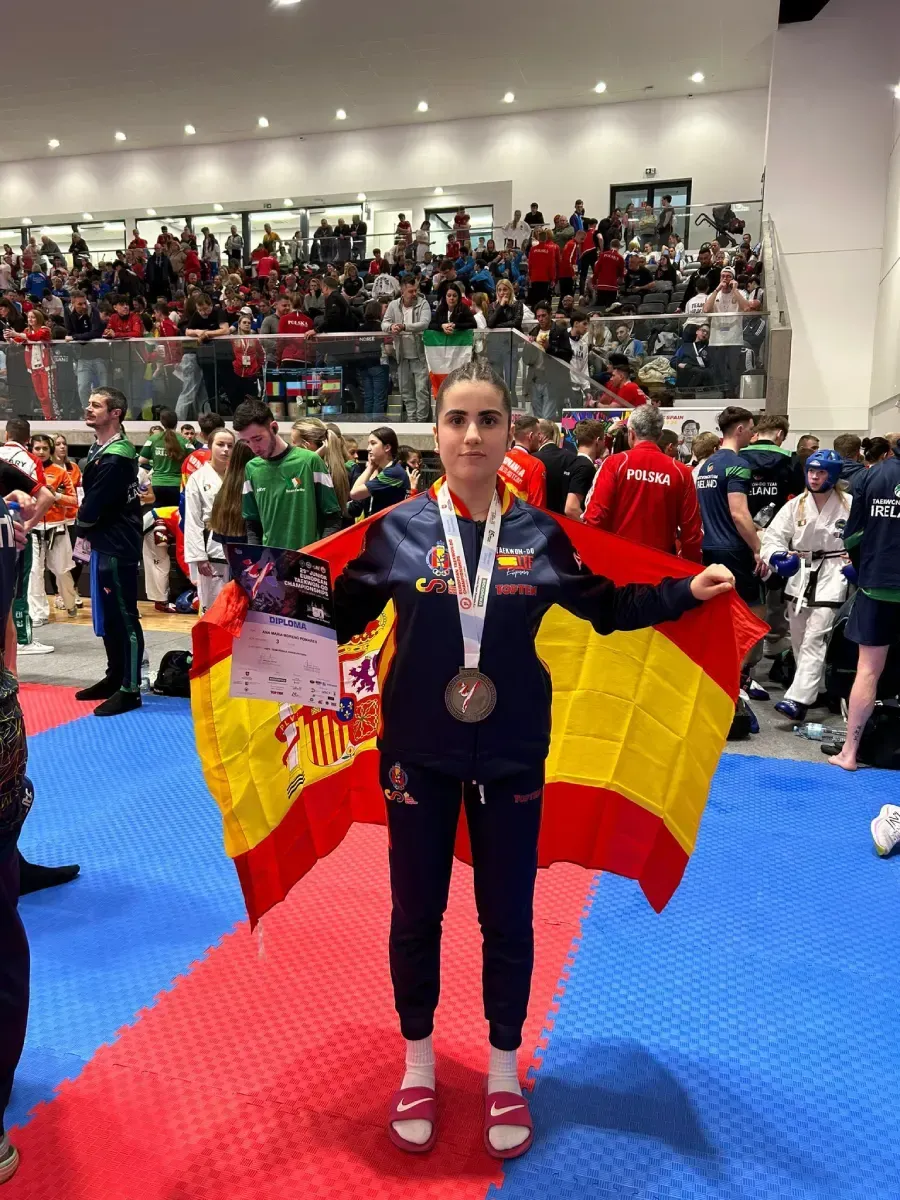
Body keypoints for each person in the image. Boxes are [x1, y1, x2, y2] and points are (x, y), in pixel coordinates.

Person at [330, 356, 735, 1158]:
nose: (472, 434)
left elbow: (609, 607)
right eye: (457, 420)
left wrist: (684, 593)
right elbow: (337, 613)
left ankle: (504, 1067)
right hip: (417, 751)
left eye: (487, 420)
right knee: (417, 913)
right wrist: (263, 594)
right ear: (435, 435)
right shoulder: (401, 529)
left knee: (506, 918)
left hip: (512, 753)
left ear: (512, 433)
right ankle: (418, 1062)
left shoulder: (540, 533)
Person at [759, 449, 851, 723]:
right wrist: (776, 556)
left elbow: (863, 538)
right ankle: (819, 688)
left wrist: (859, 562)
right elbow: (773, 537)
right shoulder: (795, 505)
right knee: (799, 639)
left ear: (832, 475)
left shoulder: (849, 505)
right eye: (811, 470)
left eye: (821, 472)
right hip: (799, 574)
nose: (814, 476)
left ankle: (797, 699)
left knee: (815, 637)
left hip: (834, 574)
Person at [830, 436, 900, 773]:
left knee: (868, 670)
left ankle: (850, 752)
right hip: (879, 583)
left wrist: (864, 569)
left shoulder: (874, 474)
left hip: (877, 587)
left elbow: (853, 535)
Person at [73, 387, 145, 717]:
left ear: (115, 413)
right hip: (104, 542)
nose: (88, 409)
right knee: (107, 617)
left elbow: (94, 505)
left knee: (124, 617)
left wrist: (81, 525)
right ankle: (115, 676)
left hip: (117, 544)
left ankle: (130, 689)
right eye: (89, 404)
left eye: (96, 406)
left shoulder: (116, 456)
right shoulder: (102, 448)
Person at [695, 406, 767, 692]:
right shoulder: (738, 465)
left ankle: (718, 673)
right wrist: (760, 548)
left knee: (719, 614)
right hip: (735, 550)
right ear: (739, 430)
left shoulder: (705, 467)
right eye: (751, 428)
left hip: (709, 548)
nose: (753, 433)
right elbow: (739, 514)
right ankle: (737, 679)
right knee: (755, 613)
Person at [583, 406, 702, 561]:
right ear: (659, 436)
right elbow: (691, 532)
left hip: (617, 562)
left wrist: (591, 559)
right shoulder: (681, 472)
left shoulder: (614, 464)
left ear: (631, 434)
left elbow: (595, 517)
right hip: (661, 566)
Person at [233, 398, 342, 548]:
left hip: (307, 562)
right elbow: (252, 523)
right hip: (271, 564)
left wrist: (319, 554)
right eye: (247, 442)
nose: (254, 448)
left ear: (274, 428)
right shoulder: (251, 468)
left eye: (257, 439)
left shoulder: (310, 461)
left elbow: (333, 517)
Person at [184, 427, 235, 613]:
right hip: (210, 546)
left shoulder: (237, 477)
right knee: (213, 606)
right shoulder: (197, 478)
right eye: (220, 444)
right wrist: (198, 557)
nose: (225, 450)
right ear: (210, 446)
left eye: (230, 445)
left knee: (235, 607)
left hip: (236, 545)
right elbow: (192, 519)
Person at [27, 436, 78, 620]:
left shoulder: (60, 472)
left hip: (57, 528)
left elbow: (74, 501)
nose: (41, 452)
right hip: (33, 527)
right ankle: (39, 614)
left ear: (50, 450)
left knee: (62, 570)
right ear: (31, 449)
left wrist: (55, 495)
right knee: (35, 571)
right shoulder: (25, 471)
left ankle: (70, 602)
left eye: (44, 448)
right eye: (37, 448)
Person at [382, 279, 432, 422]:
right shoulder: (393, 305)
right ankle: (412, 421)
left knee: (421, 391)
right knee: (406, 392)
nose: (414, 293)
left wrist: (404, 327)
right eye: (411, 291)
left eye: (415, 290)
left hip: (420, 355)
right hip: (402, 355)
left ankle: (421, 422)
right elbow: (384, 323)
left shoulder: (423, 303)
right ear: (402, 291)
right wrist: (391, 327)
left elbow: (424, 324)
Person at [4, 309, 59, 420]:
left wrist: (17, 334)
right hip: (33, 367)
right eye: (29, 317)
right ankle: (48, 417)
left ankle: (56, 416)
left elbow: (36, 337)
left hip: (46, 367)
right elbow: (17, 341)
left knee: (49, 394)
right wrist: (9, 338)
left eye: (33, 317)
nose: (30, 319)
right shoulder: (26, 331)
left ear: (39, 318)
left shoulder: (45, 330)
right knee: (41, 396)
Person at [291, 418, 351, 517]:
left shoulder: (320, 472)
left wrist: (311, 459)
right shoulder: (332, 466)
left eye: (294, 442)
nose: (291, 447)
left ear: (307, 445)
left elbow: (290, 487)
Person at [348, 426, 410, 516]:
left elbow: (354, 494)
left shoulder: (393, 473)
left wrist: (369, 468)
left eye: (373, 443)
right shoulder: (389, 470)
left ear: (387, 447)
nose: (368, 448)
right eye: (368, 444)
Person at [139, 408, 189, 508]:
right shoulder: (184, 441)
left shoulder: (153, 439)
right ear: (176, 422)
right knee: (175, 516)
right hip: (177, 485)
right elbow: (191, 460)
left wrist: (156, 460)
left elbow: (141, 459)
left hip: (157, 484)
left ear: (162, 422)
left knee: (158, 517)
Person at [498, 415, 547, 506]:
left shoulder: (499, 456)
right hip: (519, 518)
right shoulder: (536, 465)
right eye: (538, 435)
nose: (540, 439)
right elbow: (538, 507)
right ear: (531, 436)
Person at [532, 419, 576, 515]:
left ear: (540, 436)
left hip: (539, 516)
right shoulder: (571, 457)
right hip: (563, 518)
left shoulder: (532, 459)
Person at [564, 419, 604, 519]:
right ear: (598, 441)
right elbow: (571, 508)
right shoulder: (586, 468)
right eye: (603, 440)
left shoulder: (569, 462)